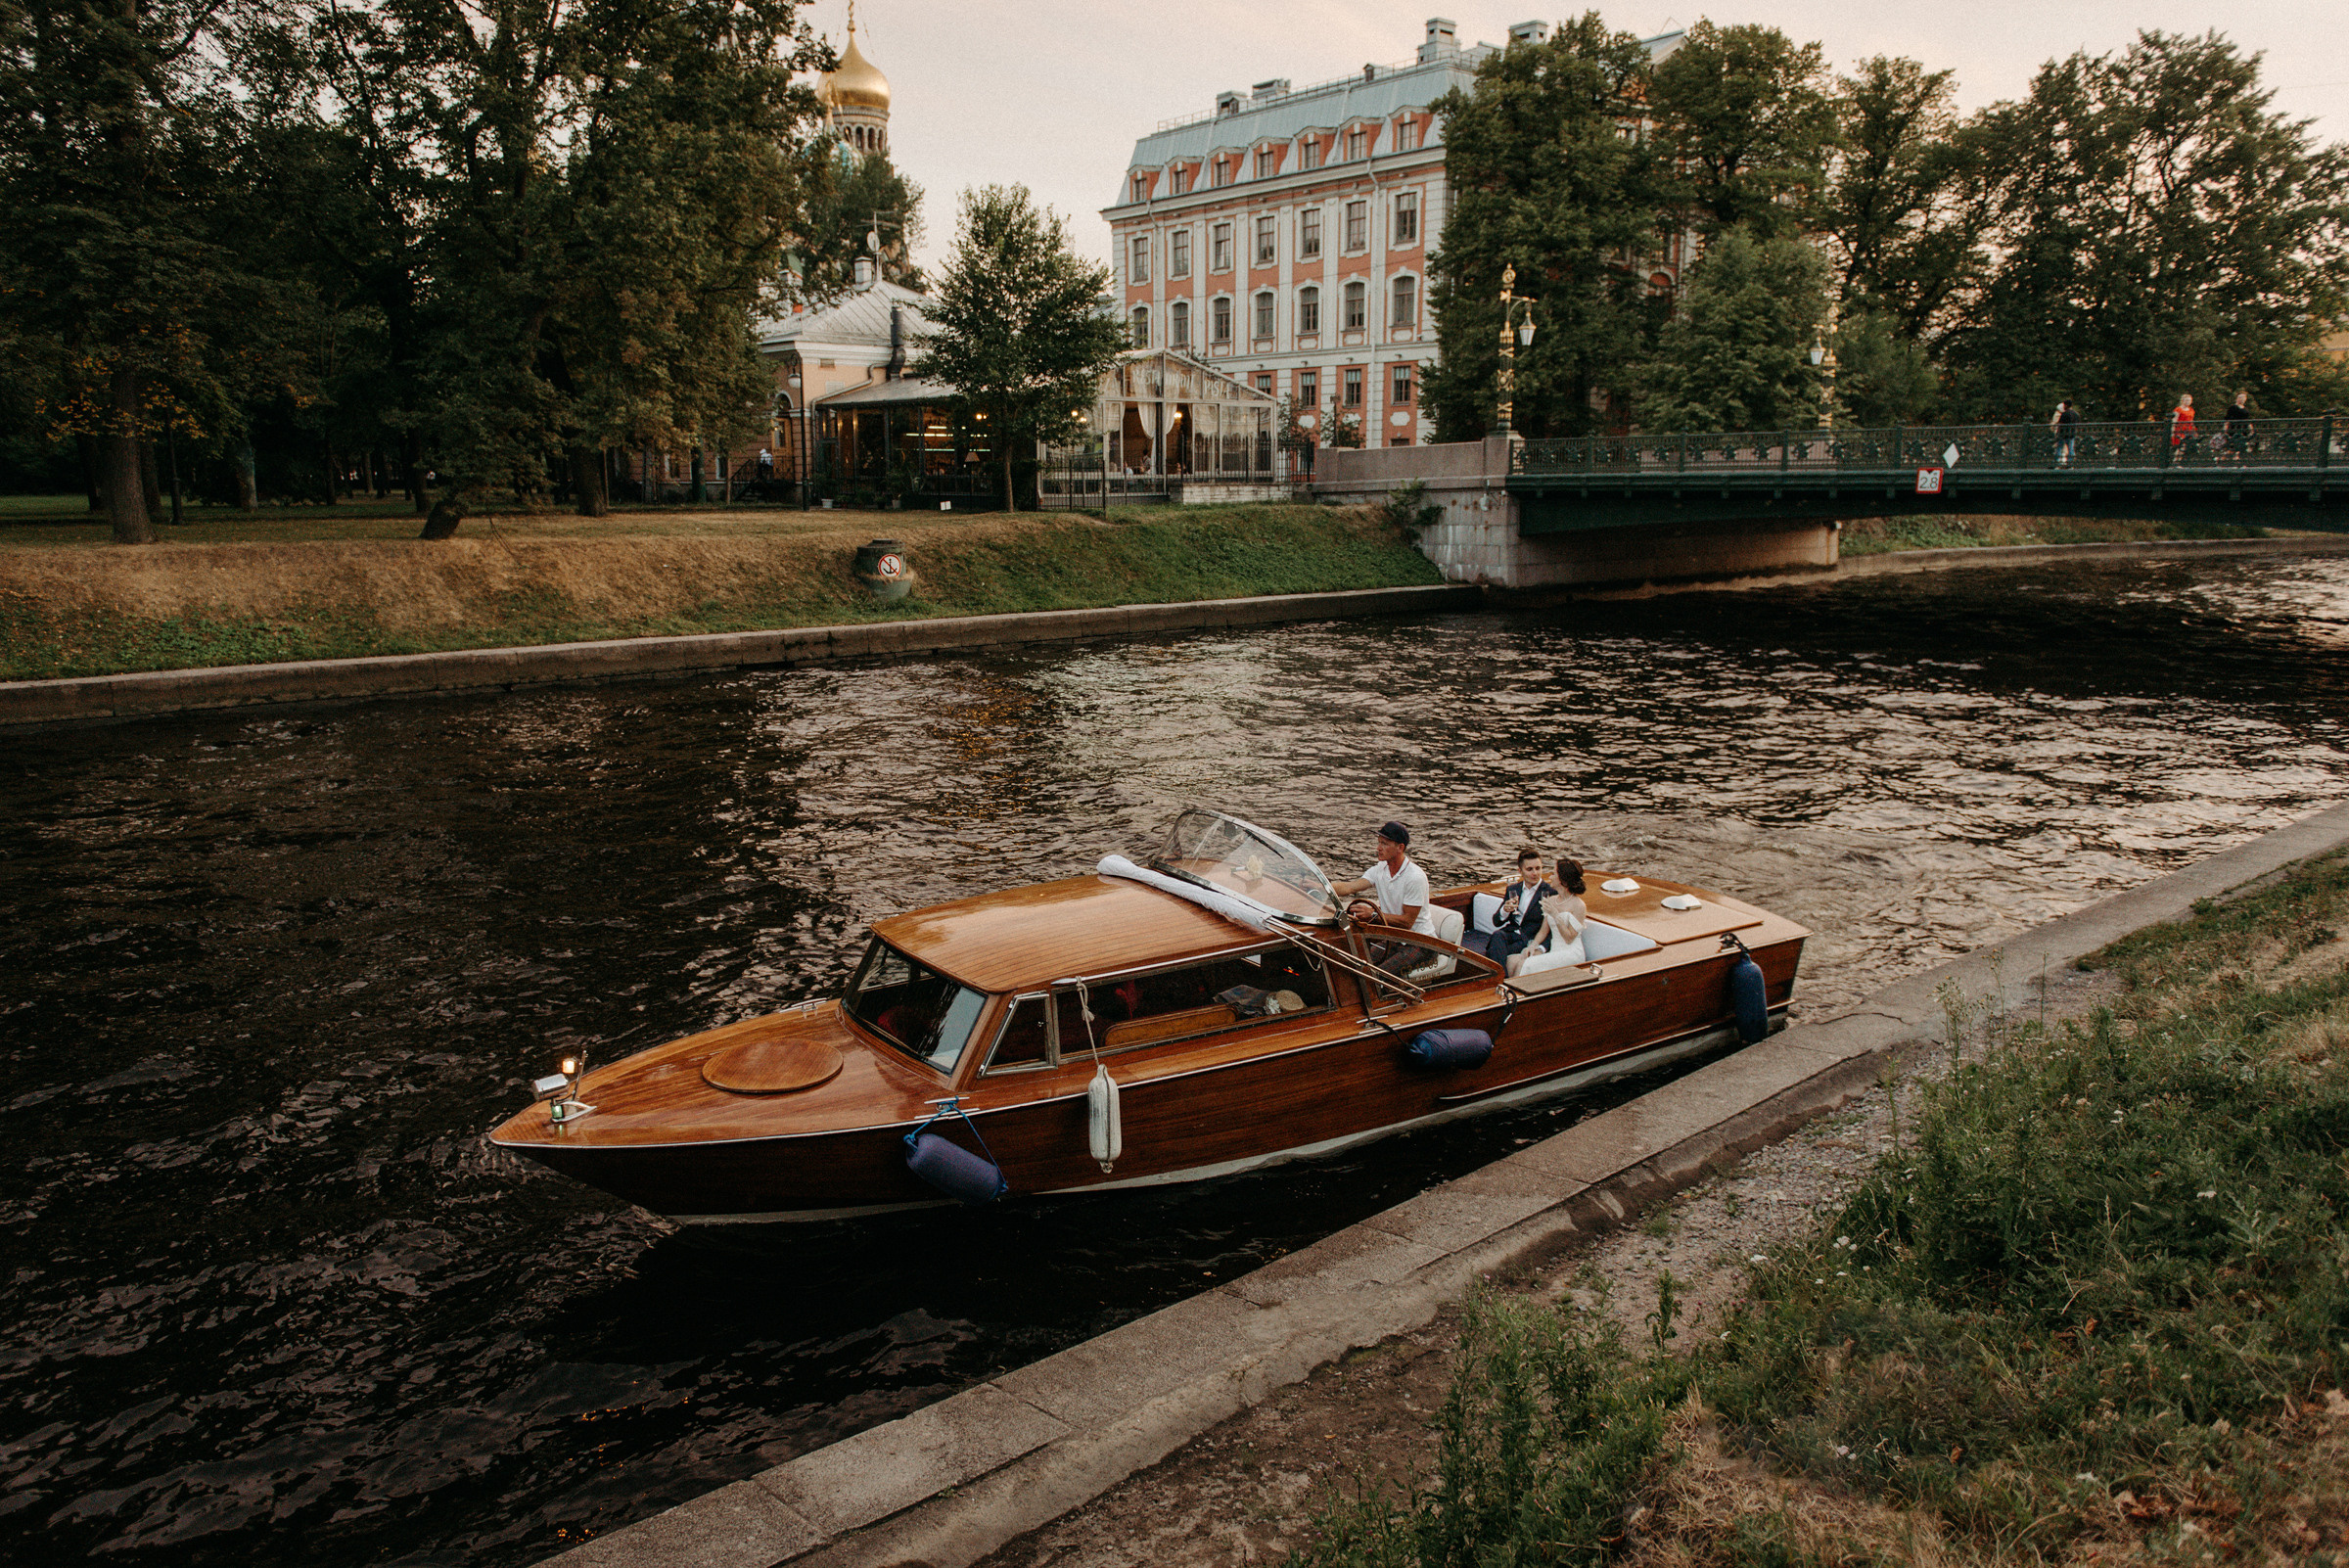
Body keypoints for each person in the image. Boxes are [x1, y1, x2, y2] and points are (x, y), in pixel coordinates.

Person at [1327, 821, 1436, 972]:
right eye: (1379, 843)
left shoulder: (1415, 877)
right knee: (1356, 966)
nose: (1378, 848)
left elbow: (1407, 922)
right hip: (1394, 938)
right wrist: (1320, 886)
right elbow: (1350, 887)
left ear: (1400, 848)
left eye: (1384, 844)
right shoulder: (1380, 869)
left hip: (1421, 944)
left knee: (1376, 977)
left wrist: (1372, 915)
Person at [1508, 857, 1590, 979]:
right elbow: (1543, 931)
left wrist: (1555, 914)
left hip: (1570, 953)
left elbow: (1569, 938)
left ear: (1563, 880)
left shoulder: (1579, 905)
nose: (1550, 877)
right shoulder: (1551, 900)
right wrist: (1532, 946)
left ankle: (1512, 990)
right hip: (1554, 950)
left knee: (1525, 964)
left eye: (1553, 874)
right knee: (1511, 961)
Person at [1469, 848, 1554, 961]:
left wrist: (1541, 948)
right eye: (1529, 869)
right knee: (1497, 935)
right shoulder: (1513, 889)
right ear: (1520, 871)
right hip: (1511, 933)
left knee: (1495, 951)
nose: (1535, 873)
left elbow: (1552, 929)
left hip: (1530, 938)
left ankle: (1499, 970)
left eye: (1538, 868)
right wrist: (1505, 910)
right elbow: (1496, 921)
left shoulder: (1550, 892)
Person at [2221, 392, 2252, 460]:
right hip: (2234, 428)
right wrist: (2225, 428)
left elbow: (2248, 420)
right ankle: (2225, 458)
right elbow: (2227, 418)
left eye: (2244, 398)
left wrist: (2251, 429)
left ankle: (2237, 458)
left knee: (2241, 444)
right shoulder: (2233, 407)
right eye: (2240, 397)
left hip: (2243, 429)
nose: (2242, 399)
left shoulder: (2245, 409)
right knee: (2232, 444)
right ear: (2237, 398)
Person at [2050, 400, 2080, 467]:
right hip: (2072, 434)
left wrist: (2058, 433)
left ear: (2066, 405)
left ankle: (2057, 462)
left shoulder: (2064, 414)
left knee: (2059, 448)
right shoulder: (2076, 414)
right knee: (2071, 448)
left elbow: (2060, 424)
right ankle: (2070, 462)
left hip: (2063, 434)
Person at [2170, 392, 2197, 461]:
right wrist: (2173, 430)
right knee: (2181, 445)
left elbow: (2191, 420)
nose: (2188, 402)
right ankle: (2175, 461)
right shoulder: (2178, 409)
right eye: (2187, 400)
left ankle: (2178, 460)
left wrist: (2194, 430)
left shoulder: (2191, 410)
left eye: (2190, 400)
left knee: (2186, 445)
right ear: (2182, 401)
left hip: (2188, 429)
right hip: (2180, 429)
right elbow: (2174, 420)